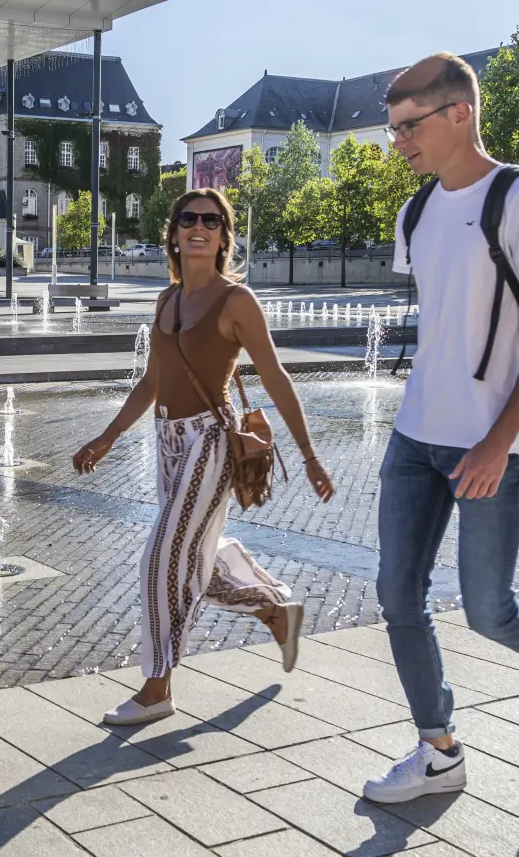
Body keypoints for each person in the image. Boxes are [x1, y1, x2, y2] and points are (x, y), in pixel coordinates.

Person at [362, 53, 519, 804]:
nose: (399, 143)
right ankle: (438, 750)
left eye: (410, 126)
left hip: (490, 442)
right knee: (397, 594)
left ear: (459, 115)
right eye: (394, 130)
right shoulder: (416, 212)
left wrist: (499, 441)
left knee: (489, 610)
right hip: (416, 433)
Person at [73, 188, 336, 726]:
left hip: (210, 442)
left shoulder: (236, 301)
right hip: (167, 440)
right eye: (189, 218)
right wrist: (109, 436)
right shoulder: (167, 300)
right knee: (193, 553)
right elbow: (153, 380)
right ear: (173, 232)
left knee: (162, 557)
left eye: (211, 221)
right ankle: (273, 609)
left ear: (223, 236)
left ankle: (157, 686)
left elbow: (275, 375)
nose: (199, 226)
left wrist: (308, 453)